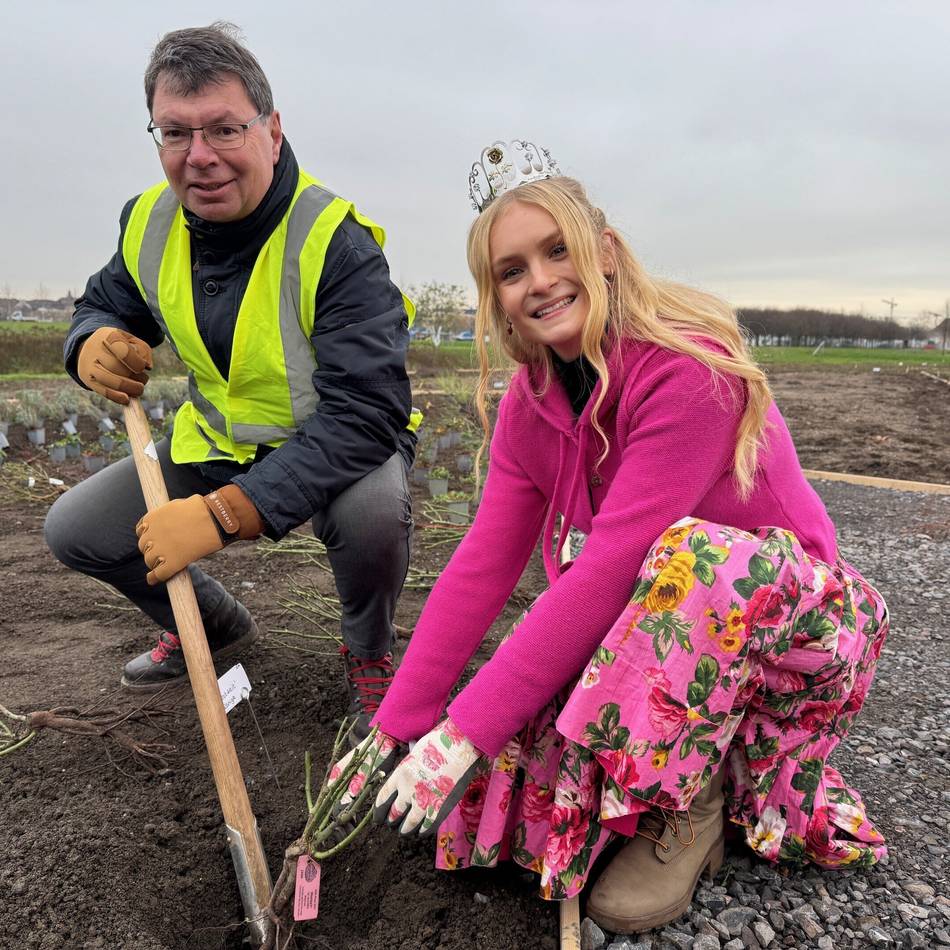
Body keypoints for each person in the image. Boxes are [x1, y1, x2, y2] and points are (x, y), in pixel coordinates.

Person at [331, 140, 889, 933]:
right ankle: (650, 777)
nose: (540, 281)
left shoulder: (688, 371)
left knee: (680, 563)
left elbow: (613, 568)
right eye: (512, 270)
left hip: (794, 634)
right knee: (512, 754)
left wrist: (462, 730)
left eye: (557, 250)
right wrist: (402, 723)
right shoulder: (532, 403)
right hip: (668, 634)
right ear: (496, 296)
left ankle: (696, 802)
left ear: (608, 253)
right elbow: (482, 565)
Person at [44, 22, 417, 740]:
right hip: (216, 441)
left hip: (335, 449)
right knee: (77, 529)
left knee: (373, 516)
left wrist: (221, 515)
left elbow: (367, 412)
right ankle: (208, 624)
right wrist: (88, 341)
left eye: (223, 129)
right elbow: (106, 302)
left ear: (272, 132)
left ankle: (368, 650)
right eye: (175, 134)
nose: (200, 158)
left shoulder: (335, 242)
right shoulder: (149, 220)